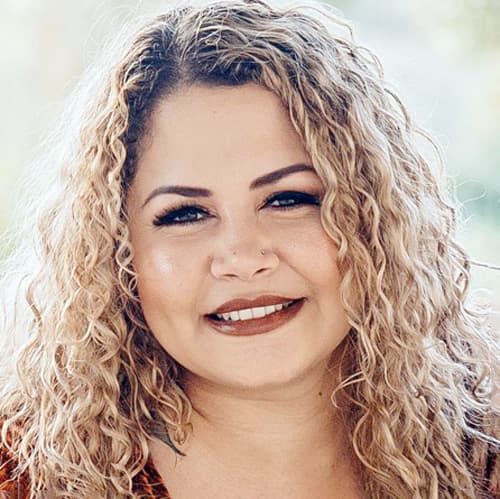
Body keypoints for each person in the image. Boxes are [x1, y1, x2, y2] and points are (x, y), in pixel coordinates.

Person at [0, 0, 498, 497]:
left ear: (375, 221)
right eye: (185, 214)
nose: (242, 258)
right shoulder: (22, 478)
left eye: (288, 199)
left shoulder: (484, 456)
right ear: (117, 252)